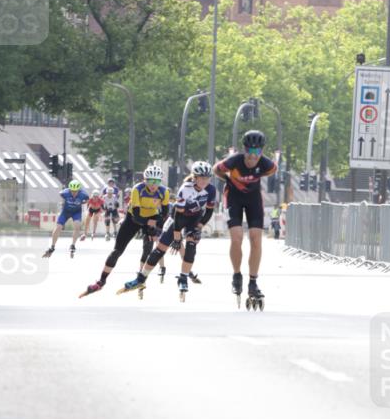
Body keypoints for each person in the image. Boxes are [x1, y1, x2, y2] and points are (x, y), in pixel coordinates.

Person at [123, 161, 215, 296]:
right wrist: (177, 236)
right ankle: (141, 278)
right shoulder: (185, 188)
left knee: (191, 244)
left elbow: (208, 211)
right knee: (160, 249)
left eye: (207, 178)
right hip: (179, 217)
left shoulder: (211, 189)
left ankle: (183, 278)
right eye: (201, 178)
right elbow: (178, 215)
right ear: (194, 177)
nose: (204, 181)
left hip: (195, 218)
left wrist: (199, 227)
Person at [79, 165, 170, 297]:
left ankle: (140, 280)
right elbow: (138, 216)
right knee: (117, 251)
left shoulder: (164, 191)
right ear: (144, 180)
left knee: (147, 249)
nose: (153, 185)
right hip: (133, 219)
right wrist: (151, 223)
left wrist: (155, 226)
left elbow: (165, 214)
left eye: (156, 182)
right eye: (150, 181)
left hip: (151, 217)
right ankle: (101, 281)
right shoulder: (137, 189)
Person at [213, 129, 277, 301]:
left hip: (253, 200)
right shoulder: (234, 161)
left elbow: (271, 170)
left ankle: (253, 281)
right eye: (249, 151)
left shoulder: (266, 164)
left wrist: (255, 176)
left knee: (256, 239)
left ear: (261, 151)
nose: (253, 156)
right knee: (237, 238)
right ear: (245, 149)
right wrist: (227, 180)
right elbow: (215, 169)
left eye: (257, 151)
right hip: (233, 198)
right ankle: (236, 275)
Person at [43, 179, 89, 258]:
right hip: (65, 212)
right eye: (72, 191)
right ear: (69, 189)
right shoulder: (65, 192)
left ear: (79, 190)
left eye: (76, 191)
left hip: (76, 213)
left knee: (77, 226)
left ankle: (73, 245)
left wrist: (83, 202)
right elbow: (60, 194)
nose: (74, 193)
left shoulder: (83, 194)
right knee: (58, 227)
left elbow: (87, 199)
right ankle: (52, 247)